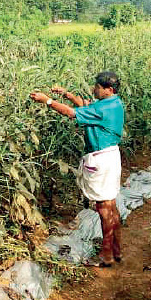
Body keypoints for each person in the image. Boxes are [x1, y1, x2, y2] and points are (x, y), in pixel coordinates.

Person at [30, 71, 125, 267]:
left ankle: (106, 256)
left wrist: (47, 101)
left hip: (102, 160)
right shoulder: (113, 103)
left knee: (103, 209)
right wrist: (67, 95)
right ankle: (116, 249)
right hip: (111, 156)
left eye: (97, 87)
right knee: (111, 206)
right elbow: (87, 107)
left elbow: (72, 113)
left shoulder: (105, 108)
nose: (94, 89)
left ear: (108, 90)